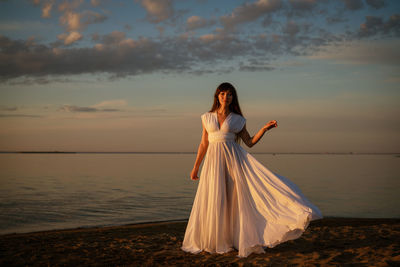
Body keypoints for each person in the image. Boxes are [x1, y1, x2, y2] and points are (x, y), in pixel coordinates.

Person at [181, 82, 322, 258]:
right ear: (217, 96)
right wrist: (195, 167)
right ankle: (214, 240)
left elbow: (250, 142)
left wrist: (264, 129)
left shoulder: (238, 119)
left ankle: (232, 240)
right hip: (212, 164)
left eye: (230, 94)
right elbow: (204, 144)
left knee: (233, 201)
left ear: (233, 98)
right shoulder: (207, 117)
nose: (226, 97)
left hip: (234, 164)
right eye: (223, 93)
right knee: (214, 199)